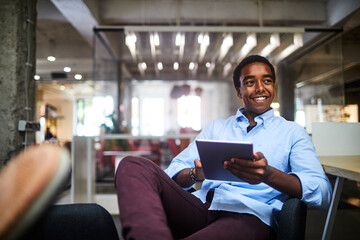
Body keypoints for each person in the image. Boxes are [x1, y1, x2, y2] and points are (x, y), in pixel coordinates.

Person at [115, 55, 332, 240]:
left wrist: (267, 174)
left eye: (267, 81)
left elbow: (322, 192)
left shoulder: (292, 132)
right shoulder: (216, 128)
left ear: (273, 86)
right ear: (239, 91)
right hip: (201, 207)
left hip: (249, 215)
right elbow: (173, 172)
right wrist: (194, 174)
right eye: (249, 82)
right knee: (132, 165)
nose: (260, 88)